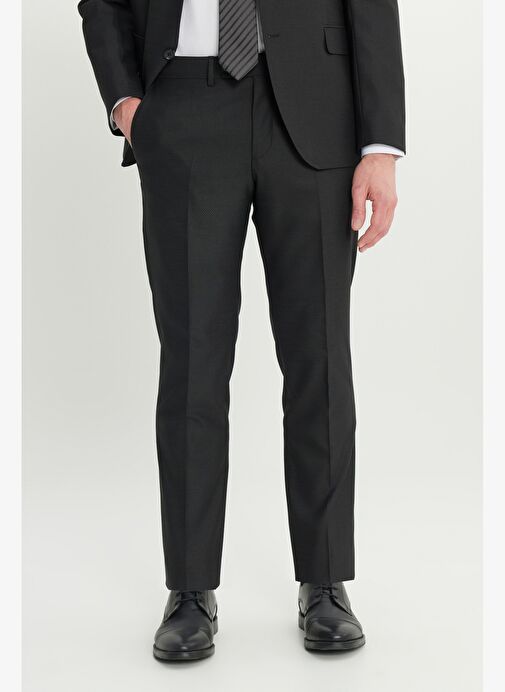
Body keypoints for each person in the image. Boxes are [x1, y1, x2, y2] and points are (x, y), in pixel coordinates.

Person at [78, 0, 405, 661]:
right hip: (182, 105)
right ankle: (189, 589)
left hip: (316, 108)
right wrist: (125, 103)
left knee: (319, 359)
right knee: (192, 362)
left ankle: (324, 581)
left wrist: (380, 146)